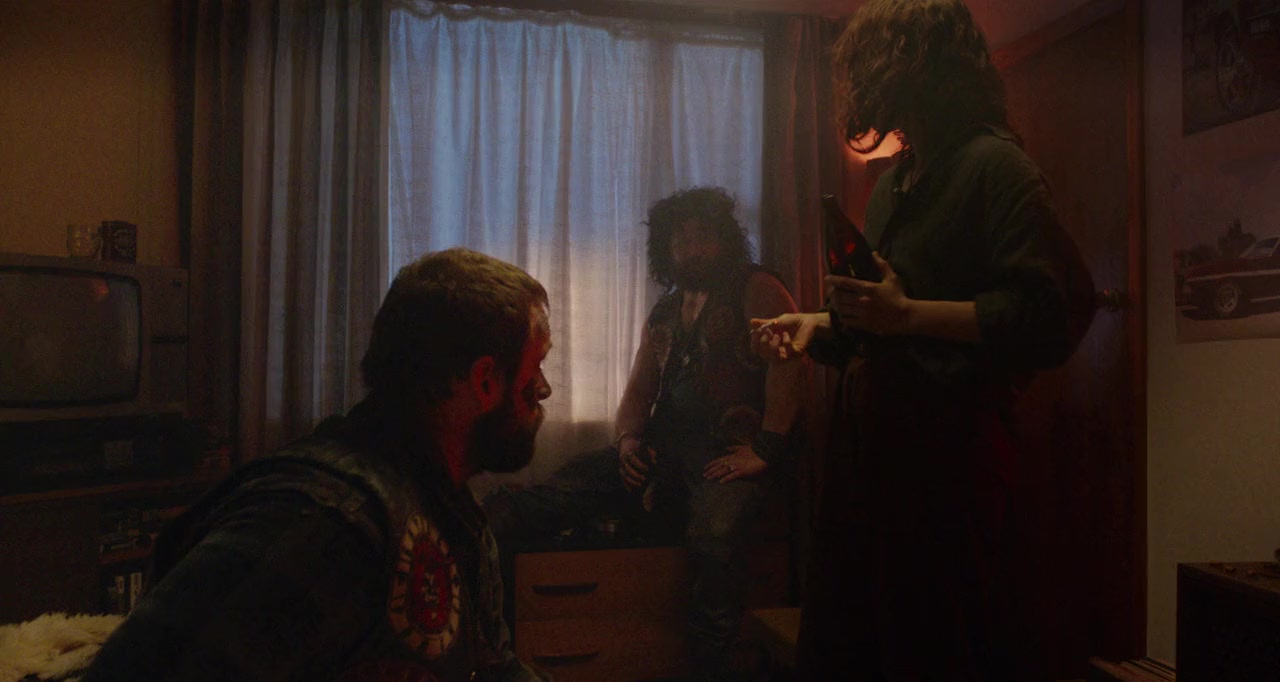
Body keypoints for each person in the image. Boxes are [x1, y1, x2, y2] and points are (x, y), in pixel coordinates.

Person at [751, 1, 1096, 680]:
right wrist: (819, 325)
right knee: (854, 643)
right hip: (870, 455)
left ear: (922, 67)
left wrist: (906, 316)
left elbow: (1051, 314)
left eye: (876, 62)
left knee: (934, 644)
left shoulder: (996, 167)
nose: (862, 82)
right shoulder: (894, 184)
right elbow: (883, 322)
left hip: (948, 459)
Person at [82, 248, 554, 681]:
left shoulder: (454, 513)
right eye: (535, 368)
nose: (544, 389)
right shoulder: (322, 521)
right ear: (485, 380)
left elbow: (495, 671)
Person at [484, 187, 804, 680]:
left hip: (727, 454)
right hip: (663, 448)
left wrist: (766, 447)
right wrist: (628, 442)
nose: (693, 250)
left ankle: (709, 672)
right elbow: (638, 392)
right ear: (666, 248)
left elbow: (791, 362)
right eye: (682, 240)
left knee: (716, 536)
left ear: (725, 239)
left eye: (704, 237)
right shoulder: (666, 311)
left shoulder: (756, 287)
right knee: (560, 490)